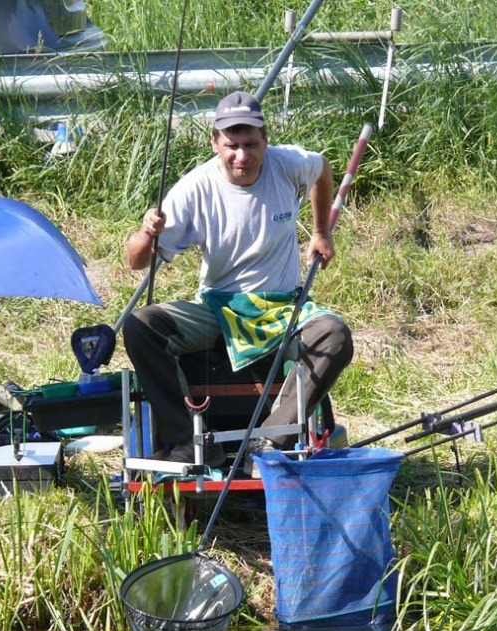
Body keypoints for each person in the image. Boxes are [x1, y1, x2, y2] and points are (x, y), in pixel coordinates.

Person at [122, 90, 353, 468]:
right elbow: (135, 262)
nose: (242, 156)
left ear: (266, 140)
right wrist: (147, 233)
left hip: (282, 309)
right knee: (141, 325)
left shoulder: (288, 164)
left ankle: (268, 441)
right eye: (232, 146)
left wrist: (321, 231)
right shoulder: (195, 188)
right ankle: (188, 442)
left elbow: (323, 168)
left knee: (335, 334)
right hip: (219, 309)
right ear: (215, 143)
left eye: (251, 145)